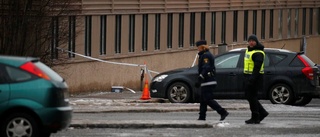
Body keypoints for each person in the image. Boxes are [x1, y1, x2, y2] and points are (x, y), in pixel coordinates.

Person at [195, 40, 229, 121]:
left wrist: (200, 77)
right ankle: (202, 117)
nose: (197, 49)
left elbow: (206, 67)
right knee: (203, 100)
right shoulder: (204, 54)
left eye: (198, 47)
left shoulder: (206, 55)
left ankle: (222, 112)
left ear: (201, 47)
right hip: (206, 81)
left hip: (208, 81)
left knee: (208, 99)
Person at [244, 34, 269, 124]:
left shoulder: (258, 52)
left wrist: (252, 79)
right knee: (250, 97)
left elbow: (257, 68)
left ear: (256, 42)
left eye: (253, 41)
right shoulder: (249, 50)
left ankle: (256, 116)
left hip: (255, 78)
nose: (251, 42)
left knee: (252, 97)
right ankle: (261, 113)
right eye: (249, 40)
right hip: (248, 76)